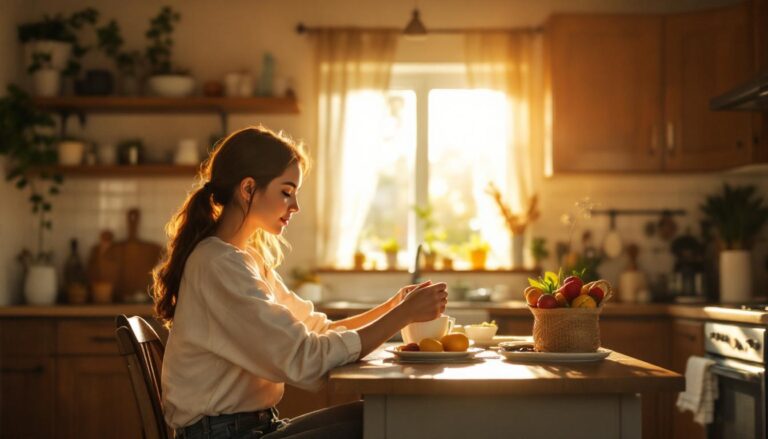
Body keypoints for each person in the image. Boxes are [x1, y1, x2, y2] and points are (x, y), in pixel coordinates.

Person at [152, 126, 448, 438]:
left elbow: (317, 331)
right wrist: (403, 315)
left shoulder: (244, 259)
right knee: (387, 421)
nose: (295, 206)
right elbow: (307, 361)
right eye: (286, 191)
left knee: (383, 415)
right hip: (225, 435)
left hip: (251, 428)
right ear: (248, 188)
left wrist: (394, 306)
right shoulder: (218, 265)